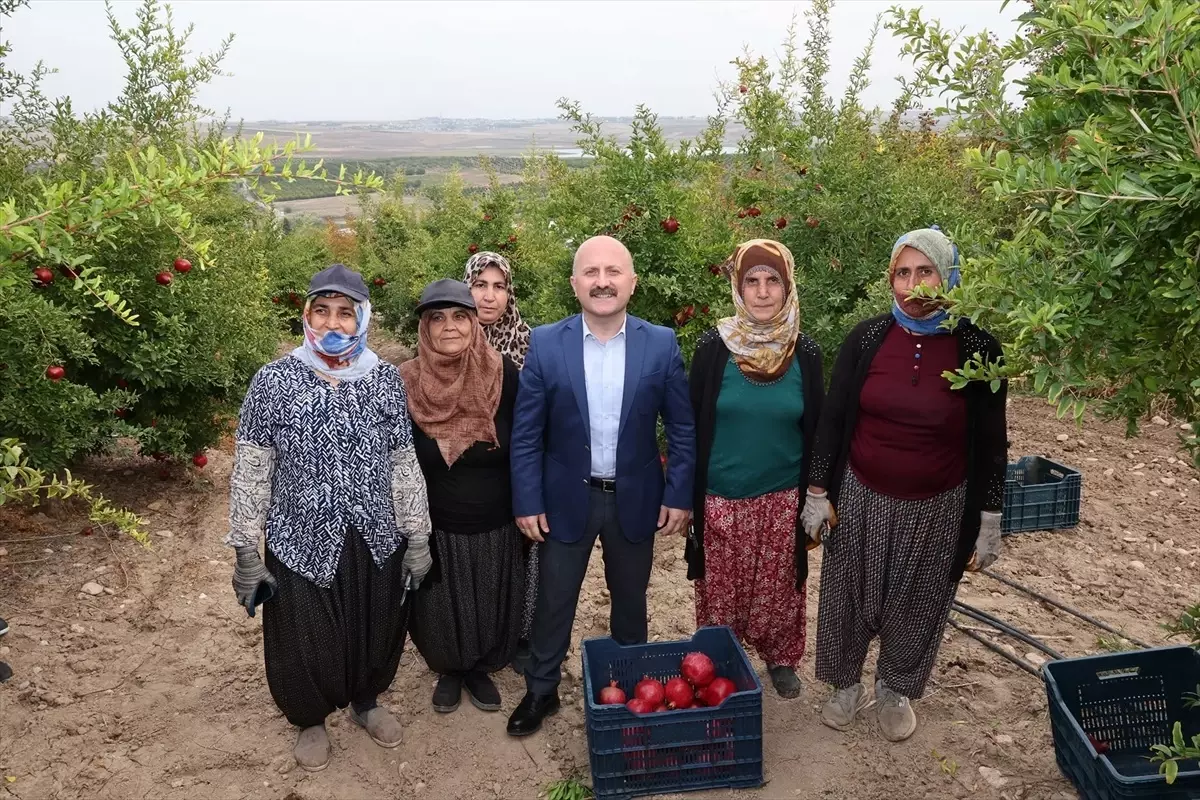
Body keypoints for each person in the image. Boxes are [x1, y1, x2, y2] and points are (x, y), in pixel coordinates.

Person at [800, 227, 1006, 742]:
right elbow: (833, 419)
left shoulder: (978, 348)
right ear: (890, 279)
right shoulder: (867, 339)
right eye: (902, 273)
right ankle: (845, 685)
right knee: (848, 594)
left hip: (938, 506)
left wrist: (990, 515)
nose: (913, 284)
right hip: (863, 494)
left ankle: (894, 688)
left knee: (919, 599)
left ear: (948, 275)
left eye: (926, 271)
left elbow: (993, 440)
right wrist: (818, 492)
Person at [225, 263, 433, 771]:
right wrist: (246, 549)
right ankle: (311, 717)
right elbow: (253, 469)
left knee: (375, 624)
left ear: (363, 318)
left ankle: (366, 701)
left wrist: (418, 535)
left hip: (374, 534)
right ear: (307, 317)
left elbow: (402, 463)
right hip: (300, 537)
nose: (334, 324)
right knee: (303, 634)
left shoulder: (384, 380)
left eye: (346, 313)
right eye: (323, 312)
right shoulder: (273, 381)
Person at [506, 235, 696, 736]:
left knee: (631, 598)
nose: (602, 281)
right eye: (591, 273)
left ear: (632, 283)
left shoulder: (661, 343)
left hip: (636, 497)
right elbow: (527, 433)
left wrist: (678, 492)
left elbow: (682, 427)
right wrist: (527, 499)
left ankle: (633, 686)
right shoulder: (547, 343)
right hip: (566, 496)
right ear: (575, 284)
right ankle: (541, 690)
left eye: (614, 272)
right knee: (554, 599)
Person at [685, 239, 824, 699]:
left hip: (783, 496)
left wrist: (818, 496)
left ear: (788, 288)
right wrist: (687, 495)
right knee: (720, 591)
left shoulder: (806, 352)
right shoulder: (714, 348)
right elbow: (691, 422)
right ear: (737, 289)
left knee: (781, 589)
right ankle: (719, 662)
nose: (763, 292)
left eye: (773, 281)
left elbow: (819, 428)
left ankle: (780, 659)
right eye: (752, 281)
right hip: (721, 495)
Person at [402, 279, 524, 714]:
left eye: (459, 316)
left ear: (474, 324)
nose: (448, 327)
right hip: (436, 524)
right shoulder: (406, 382)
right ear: (424, 327)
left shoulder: (504, 375)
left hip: (496, 520)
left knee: (490, 600)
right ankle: (451, 669)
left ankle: (480, 667)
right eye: (437, 318)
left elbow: (526, 446)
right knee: (440, 607)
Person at [463, 251, 538, 670]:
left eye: (499, 286)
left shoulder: (529, 343)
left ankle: (520, 636)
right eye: (480, 285)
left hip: (517, 468)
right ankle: (475, 640)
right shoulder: (450, 342)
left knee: (524, 555)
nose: (489, 297)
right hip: (467, 476)